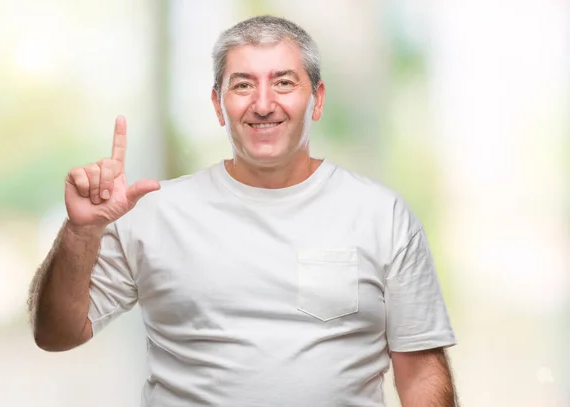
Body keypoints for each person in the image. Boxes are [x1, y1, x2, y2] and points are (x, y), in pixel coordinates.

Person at [28, 15, 458, 407]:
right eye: (243, 84)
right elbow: (55, 333)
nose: (264, 103)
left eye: (284, 83)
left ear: (317, 99)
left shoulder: (382, 216)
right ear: (218, 105)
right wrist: (80, 232)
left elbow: (420, 373)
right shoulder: (153, 212)